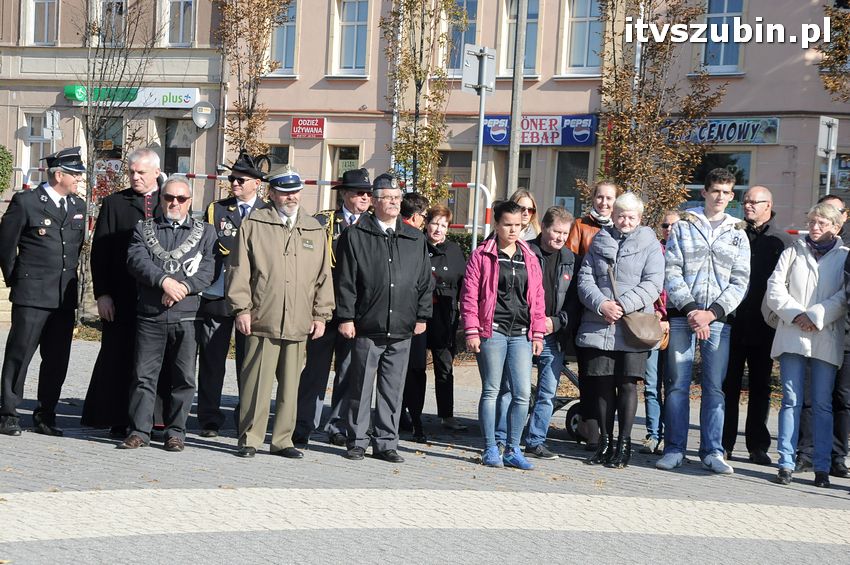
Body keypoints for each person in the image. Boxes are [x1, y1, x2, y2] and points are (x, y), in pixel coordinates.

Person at [226, 169, 334, 459]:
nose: (292, 197)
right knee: (256, 383)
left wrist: (321, 314)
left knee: (291, 385)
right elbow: (239, 271)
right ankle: (250, 438)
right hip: (263, 316)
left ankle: (283, 440)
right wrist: (242, 309)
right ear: (271, 194)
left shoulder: (313, 228)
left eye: (296, 191)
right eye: (285, 192)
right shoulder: (254, 225)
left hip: (299, 320)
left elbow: (323, 276)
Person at [657, 168, 751, 474]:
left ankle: (712, 451)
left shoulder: (738, 232)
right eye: (715, 191)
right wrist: (693, 310)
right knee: (677, 385)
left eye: (726, 192)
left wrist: (712, 313)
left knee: (714, 387)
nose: (720, 197)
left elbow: (740, 281)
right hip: (685, 316)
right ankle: (674, 448)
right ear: (705, 193)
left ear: (731, 195)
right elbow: (671, 270)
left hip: (718, 320)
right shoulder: (684, 226)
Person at [335, 173, 432, 463]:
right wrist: (346, 317)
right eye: (387, 197)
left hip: (402, 326)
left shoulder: (414, 237)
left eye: (397, 198)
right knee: (360, 386)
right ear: (374, 201)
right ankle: (357, 440)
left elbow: (424, 281)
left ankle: (387, 442)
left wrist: (422, 315)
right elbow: (346, 281)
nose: (393, 202)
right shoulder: (355, 235)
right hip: (367, 325)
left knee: (392, 389)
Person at [119, 176, 216, 451]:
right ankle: (139, 430)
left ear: (189, 201)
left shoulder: (205, 232)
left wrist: (182, 287)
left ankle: (176, 432)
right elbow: (136, 260)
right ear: (160, 199)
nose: (174, 203)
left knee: (183, 378)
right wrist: (163, 281)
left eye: (181, 199)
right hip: (150, 314)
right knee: (143, 376)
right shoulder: (144, 228)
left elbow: (208, 270)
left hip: (186, 315)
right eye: (169, 197)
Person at [0, 147, 87, 437]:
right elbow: (6, 246)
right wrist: (17, 280)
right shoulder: (26, 202)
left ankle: (45, 414)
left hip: (63, 296)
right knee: (19, 354)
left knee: (57, 359)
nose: (79, 179)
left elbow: (75, 250)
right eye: (75, 174)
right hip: (32, 294)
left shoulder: (78, 206)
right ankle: (9, 413)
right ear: (58, 175)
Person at [576, 193, 664, 468]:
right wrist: (602, 304)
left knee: (627, 385)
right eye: (621, 215)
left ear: (640, 219)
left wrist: (622, 305)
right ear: (613, 216)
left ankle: (624, 444)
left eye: (631, 217)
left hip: (632, 325)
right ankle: (605, 442)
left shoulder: (650, 244)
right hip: (600, 323)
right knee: (601, 385)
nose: (625, 221)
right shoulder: (598, 241)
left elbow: (653, 283)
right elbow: (584, 279)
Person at [765, 203, 847, 488]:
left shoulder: (844, 256)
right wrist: (797, 315)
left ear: (836, 227)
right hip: (792, 333)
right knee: (790, 400)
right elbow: (774, 288)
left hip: (824, 335)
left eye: (823, 223)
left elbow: (843, 296)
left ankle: (821, 467)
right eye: (813, 221)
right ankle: (785, 462)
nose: (815, 227)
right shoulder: (793, 251)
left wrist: (816, 316)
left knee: (823, 403)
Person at [82, 148, 162, 438]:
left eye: (141, 172)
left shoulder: (170, 199)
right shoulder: (116, 203)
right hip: (121, 295)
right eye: (132, 172)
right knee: (118, 356)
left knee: (153, 359)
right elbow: (100, 251)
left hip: (158, 296)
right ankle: (116, 416)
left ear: (156, 172)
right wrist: (102, 294)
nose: (135, 177)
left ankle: (154, 418)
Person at [460, 200, 546, 470]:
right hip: (492, 331)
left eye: (518, 226)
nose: (513, 230)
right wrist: (471, 330)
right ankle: (489, 448)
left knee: (521, 393)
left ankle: (513, 448)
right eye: (507, 225)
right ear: (496, 225)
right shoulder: (482, 255)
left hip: (521, 333)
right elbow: (470, 296)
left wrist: (539, 333)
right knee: (492, 390)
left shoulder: (530, 256)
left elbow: (538, 297)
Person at [294, 167, 373, 446]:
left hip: (355, 312)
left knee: (348, 371)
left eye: (368, 193)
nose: (365, 197)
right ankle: (303, 423)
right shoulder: (323, 222)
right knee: (315, 369)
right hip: (323, 309)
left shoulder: (372, 225)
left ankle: (337, 424)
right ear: (345, 194)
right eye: (359, 192)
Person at [196, 151, 269, 438]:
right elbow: (208, 247)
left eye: (240, 179)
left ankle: (246, 418)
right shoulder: (217, 209)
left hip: (253, 299)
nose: (234, 184)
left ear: (256, 184)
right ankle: (209, 418)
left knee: (248, 364)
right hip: (218, 294)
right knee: (212, 361)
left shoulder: (267, 212)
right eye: (232, 179)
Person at [722, 186, 793, 465]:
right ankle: (724, 443)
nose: (748, 205)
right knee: (728, 385)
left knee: (761, 386)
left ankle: (758, 446)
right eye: (745, 201)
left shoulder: (782, 241)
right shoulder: (734, 235)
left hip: (765, 326)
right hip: (733, 321)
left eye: (754, 202)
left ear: (769, 205)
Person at [797, 194, 850, 476]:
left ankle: (837, 456)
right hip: (818, 331)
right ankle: (805, 453)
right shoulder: (801, 249)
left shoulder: (844, 251)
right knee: (809, 396)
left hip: (845, 334)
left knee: (842, 399)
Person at [565, 179, 620, 450]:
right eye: (600, 197)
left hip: (619, 311)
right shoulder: (581, 225)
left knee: (611, 377)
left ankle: (608, 430)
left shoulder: (624, 226)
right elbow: (573, 265)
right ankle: (591, 429)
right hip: (587, 305)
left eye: (609, 198)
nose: (605, 203)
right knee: (589, 372)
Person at [522, 206, 578, 459]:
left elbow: (575, 301)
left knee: (548, 391)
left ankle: (535, 441)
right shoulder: (525, 252)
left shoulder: (570, 259)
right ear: (544, 227)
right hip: (523, 331)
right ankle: (509, 439)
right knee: (518, 390)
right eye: (556, 231)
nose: (560, 238)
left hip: (554, 333)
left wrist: (557, 322)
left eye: (565, 234)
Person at [421, 205, 467, 433]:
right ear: (426, 224)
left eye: (443, 225)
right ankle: (410, 412)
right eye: (434, 223)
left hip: (445, 316)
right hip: (419, 315)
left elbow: (463, 285)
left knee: (444, 366)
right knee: (415, 367)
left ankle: (447, 415)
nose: (438, 229)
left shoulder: (454, 250)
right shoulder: (416, 245)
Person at [640, 209, 679, 454]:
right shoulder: (653, 251)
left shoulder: (689, 254)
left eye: (675, 226)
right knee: (651, 383)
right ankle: (653, 434)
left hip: (680, 325)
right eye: (665, 225)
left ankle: (671, 436)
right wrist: (656, 313)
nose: (669, 230)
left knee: (674, 385)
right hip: (654, 324)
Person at [400, 191, 432, 442]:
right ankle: (399, 416)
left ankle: (415, 419)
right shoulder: (398, 234)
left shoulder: (419, 239)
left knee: (416, 371)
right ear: (414, 216)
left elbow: (424, 281)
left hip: (415, 318)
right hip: (398, 318)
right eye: (424, 215)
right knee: (398, 371)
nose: (425, 220)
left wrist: (422, 316)